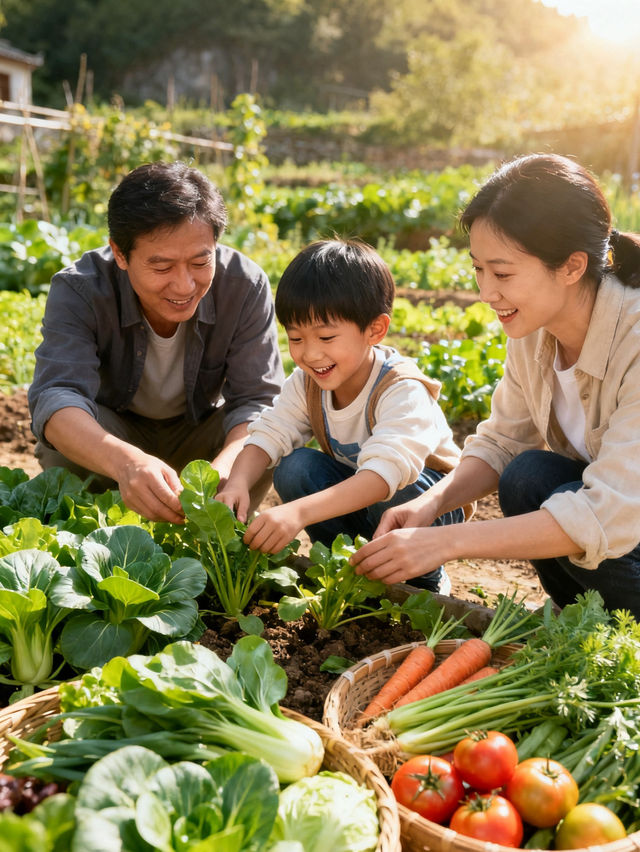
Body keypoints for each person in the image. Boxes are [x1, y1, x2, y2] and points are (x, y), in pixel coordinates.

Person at [351, 152, 640, 618]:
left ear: (570, 266)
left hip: (628, 527)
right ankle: (584, 616)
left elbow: (609, 513)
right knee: (527, 476)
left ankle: (615, 626)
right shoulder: (535, 329)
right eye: (478, 269)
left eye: (502, 273)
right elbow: (502, 442)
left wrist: (444, 543)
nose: (487, 293)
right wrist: (428, 506)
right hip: (624, 538)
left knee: (537, 482)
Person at [28, 161, 284, 524]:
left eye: (200, 261)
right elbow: (56, 397)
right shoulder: (80, 289)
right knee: (65, 439)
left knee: (270, 436)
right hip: (117, 431)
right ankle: (100, 528)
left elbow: (259, 402)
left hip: (200, 435)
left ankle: (224, 533)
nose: (184, 286)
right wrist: (125, 462)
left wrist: (224, 473)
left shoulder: (244, 286)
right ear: (120, 253)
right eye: (161, 267)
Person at [215, 238, 467, 593]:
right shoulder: (307, 383)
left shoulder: (402, 389)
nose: (311, 354)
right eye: (297, 338)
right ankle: (351, 564)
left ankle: (424, 579)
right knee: (295, 467)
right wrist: (238, 481)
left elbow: (383, 477)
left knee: (402, 488)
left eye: (327, 337)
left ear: (375, 330)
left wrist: (299, 513)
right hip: (358, 499)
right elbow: (271, 431)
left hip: (425, 507)